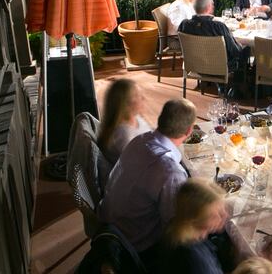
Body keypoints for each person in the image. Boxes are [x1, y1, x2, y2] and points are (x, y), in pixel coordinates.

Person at [99, 98, 196, 257]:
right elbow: (175, 225)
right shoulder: (170, 171)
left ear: (161, 119)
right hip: (135, 244)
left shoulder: (140, 140)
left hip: (112, 223)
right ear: (189, 131)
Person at [155, 179, 231, 274]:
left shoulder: (175, 226)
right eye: (218, 214)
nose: (225, 216)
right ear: (195, 218)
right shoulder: (196, 261)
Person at [178, 0, 249, 71]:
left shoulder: (184, 24)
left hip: (194, 65)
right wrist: (240, 44)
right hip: (220, 67)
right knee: (246, 49)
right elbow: (234, 51)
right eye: (212, 4)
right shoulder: (218, 26)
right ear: (209, 7)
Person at [97, 79, 153, 164]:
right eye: (137, 95)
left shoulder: (136, 119)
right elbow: (140, 165)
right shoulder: (122, 135)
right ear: (125, 103)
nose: (143, 98)